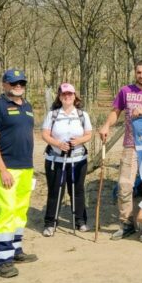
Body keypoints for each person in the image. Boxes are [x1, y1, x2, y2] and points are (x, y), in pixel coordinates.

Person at [99, 60, 142, 240]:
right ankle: (127, 223)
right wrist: (106, 125)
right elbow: (115, 111)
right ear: (135, 73)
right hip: (130, 145)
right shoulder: (126, 91)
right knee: (124, 185)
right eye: (139, 72)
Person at [0, 69, 38, 278]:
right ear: (4, 84)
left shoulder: (28, 107)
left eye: (21, 83)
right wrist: (2, 169)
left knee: (20, 211)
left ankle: (15, 250)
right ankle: (3, 260)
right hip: (8, 169)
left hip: (26, 168)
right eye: (14, 83)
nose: (18, 86)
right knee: (7, 211)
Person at [41, 83, 93, 236]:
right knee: (55, 191)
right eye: (64, 94)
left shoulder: (82, 115)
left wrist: (78, 141)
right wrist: (58, 144)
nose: (67, 96)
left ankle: (80, 221)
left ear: (75, 96)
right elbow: (45, 134)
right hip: (55, 160)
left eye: (70, 94)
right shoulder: (53, 114)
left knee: (77, 190)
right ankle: (50, 223)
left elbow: (89, 134)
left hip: (78, 159)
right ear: (59, 97)